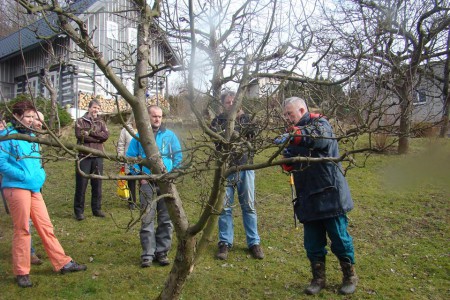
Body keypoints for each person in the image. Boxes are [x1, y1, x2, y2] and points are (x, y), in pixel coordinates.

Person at [276, 97, 358, 295]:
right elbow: (294, 154)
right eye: (285, 114)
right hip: (307, 196)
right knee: (312, 242)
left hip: (329, 193)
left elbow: (317, 138)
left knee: (339, 238)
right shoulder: (293, 132)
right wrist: (287, 160)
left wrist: (293, 136)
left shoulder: (320, 124)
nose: (288, 118)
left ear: (302, 109)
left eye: (290, 113)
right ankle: (318, 278)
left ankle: (349, 276)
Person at [0, 100, 86, 288]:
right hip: (16, 187)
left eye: (32, 116)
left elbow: (37, 160)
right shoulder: (6, 137)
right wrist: (23, 176)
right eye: (27, 116)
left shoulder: (32, 136)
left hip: (34, 188)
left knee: (46, 226)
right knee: (22, 229)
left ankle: (63, 262)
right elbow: (1, 162)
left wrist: (40, 174)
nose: (31, 120)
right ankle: (22, 271)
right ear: (16, 116)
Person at [126, 105, 182, 268]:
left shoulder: (170, 136)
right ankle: (148, 254)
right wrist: (140, 177)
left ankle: (162, 252)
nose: (157, 119)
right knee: (147, 218)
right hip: (147, 183)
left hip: (166, 182)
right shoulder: (140, 137)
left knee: (166, 219)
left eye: (159, 116)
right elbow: (130, 158)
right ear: (148, 117)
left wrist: (172, 174)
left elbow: (178, 156)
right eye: (154, 116)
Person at [210, 91, 264, 260]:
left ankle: (254, 243)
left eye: (234, 102)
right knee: (224, 207)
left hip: (245, 167)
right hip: (226, 169)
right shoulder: (217, 121)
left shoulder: (247, 120)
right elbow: (216, 139)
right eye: (228, 102)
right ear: (223, 104)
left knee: (248, 206)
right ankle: (225, 242)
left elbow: (253, 137)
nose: (231, 104)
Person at [74, 99, 109, 220]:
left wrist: (90, 134)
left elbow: (106, 136)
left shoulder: (101, 121)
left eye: (98, 108)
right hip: (84, 156)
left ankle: (97, 209)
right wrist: (97, 138)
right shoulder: (80, 121)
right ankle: (79, 211)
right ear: (89, 108)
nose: (96, 110)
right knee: (81, 184)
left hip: (98, 156)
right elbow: (80, 135)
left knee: (97, 184)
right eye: (94, 108)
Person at [117, 115, 137, 210]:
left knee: (143, 180)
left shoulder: (145, 129)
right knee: (131, 181)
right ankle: (132, 202)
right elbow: (121, 144)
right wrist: (121, 158)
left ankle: (144, 200)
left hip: (142, 159)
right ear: (132, 120)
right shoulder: (125, 130)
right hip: (129, 159)